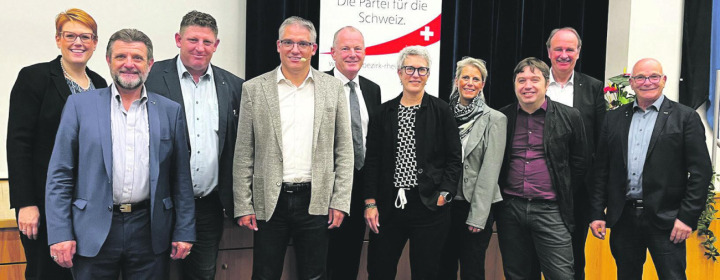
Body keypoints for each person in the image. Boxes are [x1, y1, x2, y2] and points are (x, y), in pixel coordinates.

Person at [45, 28, 196, 279]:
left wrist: (184, 230)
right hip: (92, 229)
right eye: (120, 57)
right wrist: (60, 233)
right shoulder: (79, 106)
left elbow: (180, 178)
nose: (129, 64)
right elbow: (60, 175)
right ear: (108, 61)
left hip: (150, 229)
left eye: (137, 58)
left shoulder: (170, 111)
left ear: (150, 64)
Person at [233, 16, 353, 280]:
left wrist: (340, 201)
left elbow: (344, 150)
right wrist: (243, 204)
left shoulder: (332, 88)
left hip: (316, 199)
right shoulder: (254, 89)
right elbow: (244, 152)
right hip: (269, 202)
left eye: (303, 43)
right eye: (289, 42)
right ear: (278, 45)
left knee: (314, 275)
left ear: (313, 48)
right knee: (265, 274)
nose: (295, 50)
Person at [6, 8, 107, 280]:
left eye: (85, 36)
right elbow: (18, 144)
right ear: (57, 39)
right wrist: (25, 203)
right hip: (44, 202)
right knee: (46, 273)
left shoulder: (100, 84)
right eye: (70, 35)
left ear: (95, 43)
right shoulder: (34, 78)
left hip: (88, 206)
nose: (78, 42)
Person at [589, 58, 711, 280]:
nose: (647, 82)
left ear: (663, 80)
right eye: (640, 77)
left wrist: (687, 217)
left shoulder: (685, 118)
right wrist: (597, 212)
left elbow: (701, 173)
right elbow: (602, 170)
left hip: (668, 221)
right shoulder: (613, 119)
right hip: (623, 219)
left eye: (654, 76)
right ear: (632, 83)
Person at [145, 10, 244, 279]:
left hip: (207, 207)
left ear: (216, 45)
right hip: (156, 204)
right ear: (178, 39)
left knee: (202, 275)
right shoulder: (149, 78)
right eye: (192, 40)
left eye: (207, 42)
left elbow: (240, 148)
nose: (199, 48)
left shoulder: (234, 86)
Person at [363, 45, 462, 279]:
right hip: (388, 209)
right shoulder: (382, 113)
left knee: (426, 272)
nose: (415, 75)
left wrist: (445, 193)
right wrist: (370, 202)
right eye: (409, 69)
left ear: (428, 75)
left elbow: (454, 159)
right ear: (399, 73)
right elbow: (372, 161)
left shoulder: (442, 111)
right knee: (379, 270)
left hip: (429, 207)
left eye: (421, 70)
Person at [496, 57, 587, 279]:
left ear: (547, 84)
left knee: (561, 275)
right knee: (517, 274)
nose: (527, 86)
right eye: (521, 80)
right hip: (511, 210)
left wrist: (562, 193)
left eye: (534, 79)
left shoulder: (570, 116)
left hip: (551, 210)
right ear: (514, 84)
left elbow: (580, 163)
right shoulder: (502, 117)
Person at [544, 27, 605, 280]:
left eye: (570, 49)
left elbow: (601, 144)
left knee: (573, 258)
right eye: (558, 49)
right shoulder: (532, 82)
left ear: (578, 53)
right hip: (538, 184)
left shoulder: (593, 88)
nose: (564, 54)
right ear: (549, 52)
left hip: (577, 189)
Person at [438, 57, 506, 280]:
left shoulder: (495, 119)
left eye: (476, 78)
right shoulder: (442, 114)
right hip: (445, 206)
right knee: (443, 267)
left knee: (472, 269)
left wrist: (477, 217)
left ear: (483, 84)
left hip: (476, 206)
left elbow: (490, 170)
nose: (470, 82)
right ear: (456, 81)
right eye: (465, 77)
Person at [324, 25, 381, 279]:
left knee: (350, 260)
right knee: (324, 261)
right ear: (332, 53)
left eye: (357, 48)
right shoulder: (319, 85)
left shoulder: (372, 89)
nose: (352, 54)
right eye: (345, 48)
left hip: (360, 187)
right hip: (326, 189)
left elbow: (374, 142)